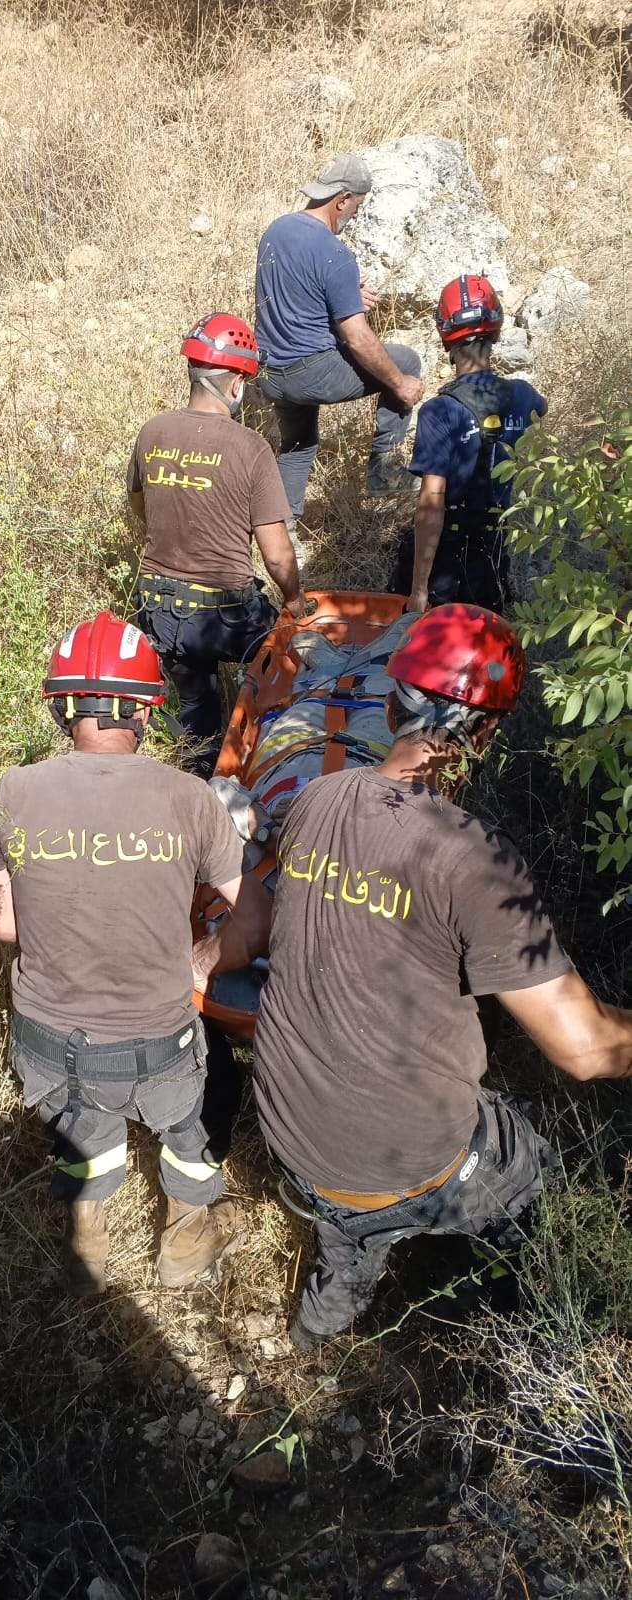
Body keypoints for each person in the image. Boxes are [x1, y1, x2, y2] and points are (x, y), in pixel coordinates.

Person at [240, 604, 632, 1350]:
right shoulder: (475, 860)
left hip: (291, 1134)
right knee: (532, 1178)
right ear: (483, 736)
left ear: (389, 707)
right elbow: (583, 1049)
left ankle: (318, 1325)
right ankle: (525, 1311)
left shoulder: (318, 800)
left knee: (347, 1238)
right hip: (400, 1153)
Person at [0, 611, 267, 1297]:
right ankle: (183, 1249)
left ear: (63, 707)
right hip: (157, 1041)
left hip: (48, 1040)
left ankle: (89, 1246)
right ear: (144, 710)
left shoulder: (14, 791)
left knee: (84, 1130)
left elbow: (4, 927)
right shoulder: (189, 798)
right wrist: (202, 960)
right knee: (191, 1131)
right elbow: (257, 918)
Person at [128, 313, 304, 778]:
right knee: (287, 676)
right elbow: (276, 553)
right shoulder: (251, 447)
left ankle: (200, 777)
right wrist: (294, 600)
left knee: (196, 711)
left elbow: (141, 506)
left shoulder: (152, 432)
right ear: (237, 384)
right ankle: (267, 767)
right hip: (229, 617)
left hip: (159, 609)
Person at [254, 153, 424, 520]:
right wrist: (400, 384)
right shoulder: (335, 253)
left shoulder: (275, 231)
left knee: (298, 444)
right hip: (310, 373)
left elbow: (296, 300)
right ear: (342, 199)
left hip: (269, 373)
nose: (357, 215)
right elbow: (358, 338)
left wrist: (346, 298)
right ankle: (385, 472)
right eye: (358, 206)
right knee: (406, 361)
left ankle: (283, 528)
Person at [393, 274, 547, 612]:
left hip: (446, 557)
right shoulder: (523, 395)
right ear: (496, 332)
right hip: (493, 547)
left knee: (423, 633)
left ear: (446, 338)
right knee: (485, 629)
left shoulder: (439, 411)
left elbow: (431, 502)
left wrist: (419, 588)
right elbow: (541, 413)